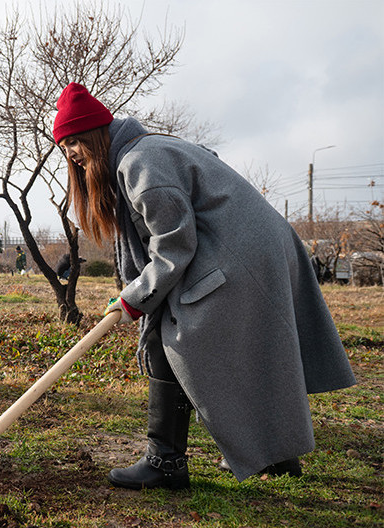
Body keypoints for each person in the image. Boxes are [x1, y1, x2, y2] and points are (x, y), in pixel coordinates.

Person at [52, 82, 356, 489]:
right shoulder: (146, 148)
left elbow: (174, 243)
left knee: (173, 334)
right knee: (255, 345)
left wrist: (136, 298)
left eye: (74, 141)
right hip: (256, 247)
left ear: (95, 133)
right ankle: (278, 457)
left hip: (240, 253)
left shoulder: (139, 163)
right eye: (64, 146)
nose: (71, 153)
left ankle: (165, 462)